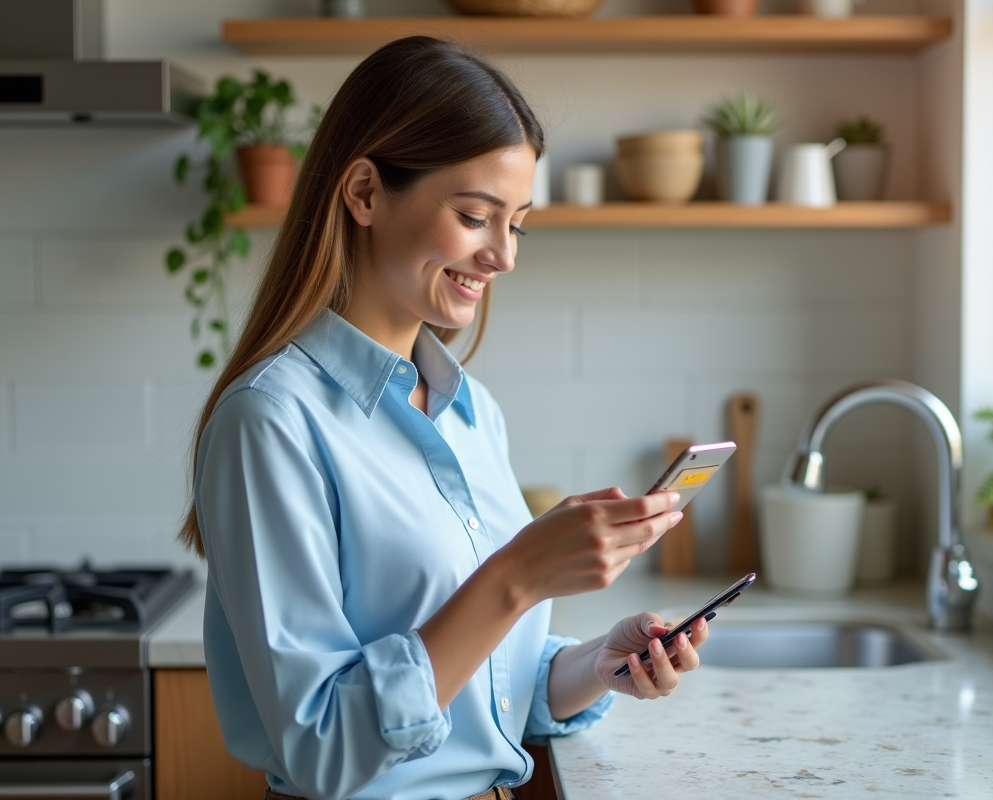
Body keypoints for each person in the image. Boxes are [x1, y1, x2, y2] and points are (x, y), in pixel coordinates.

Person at [180, 36, 709, 800]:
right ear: (363, 193)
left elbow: (484, 697)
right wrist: (517, 576)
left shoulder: (471, 413)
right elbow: (322, 748)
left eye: (517, 223)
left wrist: (597, 666)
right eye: (474, 215)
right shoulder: (270, 422)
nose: (504, 256)